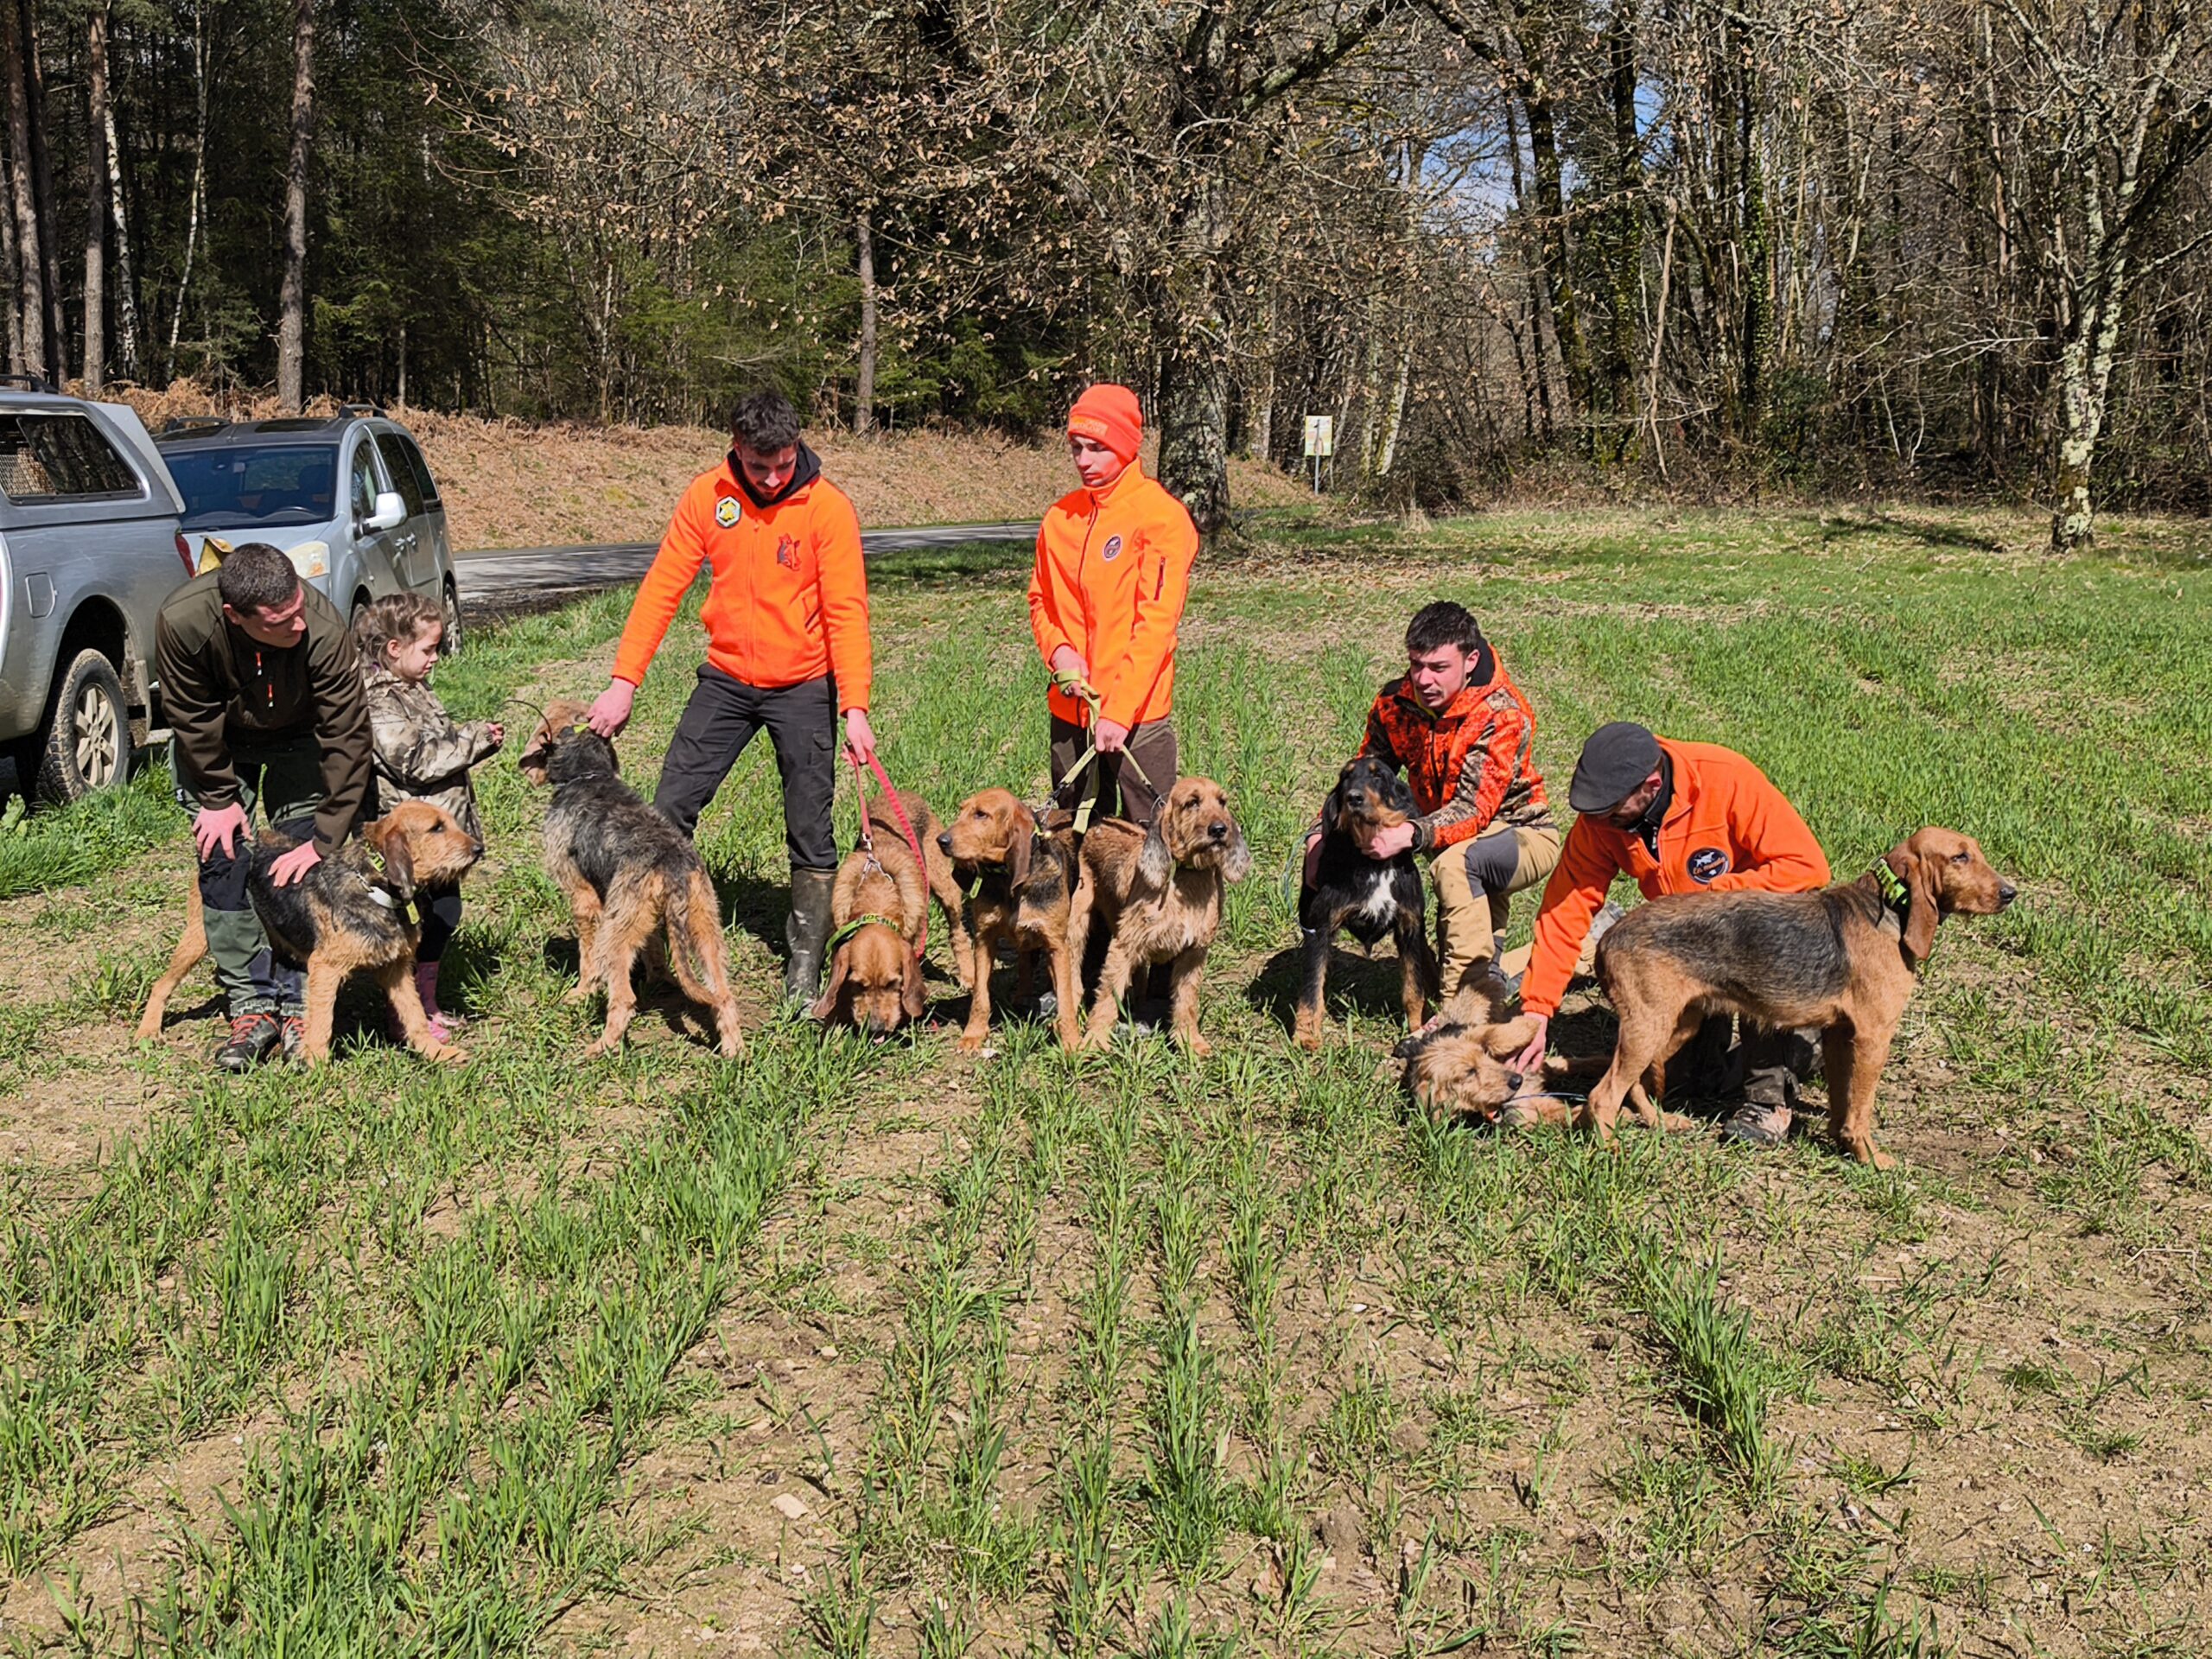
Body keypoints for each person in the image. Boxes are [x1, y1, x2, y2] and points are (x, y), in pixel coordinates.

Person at [587, 388, 874, 1001]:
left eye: (784, 463)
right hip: (726, 679)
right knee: (667, 809)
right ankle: (654, 947)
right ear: (736, 449)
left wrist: (855, 707)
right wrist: (623, 681)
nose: (772, 478)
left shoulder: (827, 508)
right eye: (759, 466)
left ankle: (805, 963)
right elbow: (662, 588)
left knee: (810, 824)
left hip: (803, 683)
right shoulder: (707, 497)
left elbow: (847, 612)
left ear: (797, 446)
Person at [1512, 721, 1832, 1146]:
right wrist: (1536, 1010)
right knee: (1679, 1082)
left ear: (1652, 785)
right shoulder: (1600, 822)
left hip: (1754, 934)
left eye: (1610, 811)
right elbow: (1564, 912)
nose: (1598, 822)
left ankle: (1771, 1093)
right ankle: (1729, 1058)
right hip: (1687, 951)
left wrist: (1711, 898)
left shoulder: (1725, 778)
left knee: (1762, 958)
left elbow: (1807, 866)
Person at [156, 542, 373, 1071]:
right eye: (281, 621)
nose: (298, 624)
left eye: (299, 608)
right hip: (220, 742)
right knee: (223, 859)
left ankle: (298, 1004)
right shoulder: (184, 621)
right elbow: (189, 714)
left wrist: (325, 836)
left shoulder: (321, 627)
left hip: (300, 737)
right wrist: (217, 796)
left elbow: (348, 735)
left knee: (300, 861)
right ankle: (251, 1004)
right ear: (236, 616)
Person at [1305, 601, 1561, 1015]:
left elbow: (1473, 810)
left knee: (1456, 866)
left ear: (1470, 659)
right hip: (1447, 835)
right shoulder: (1396, 703)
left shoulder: (1501, 714)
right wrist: (1319, 834)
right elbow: (1365, 777)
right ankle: (1580, 951)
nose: (1423, 679)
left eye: (1438, 668)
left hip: (1520, 832)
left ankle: (1456, 1020)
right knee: (1474, 958)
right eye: (1416, 665)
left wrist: (1409, 834)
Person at [1028, 384, 1198, 824]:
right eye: (1076, 447)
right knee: (1070, 836)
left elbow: (1156, 625)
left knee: (1151, 838)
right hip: (1071, 712)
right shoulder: (1059, 518)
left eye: (1098, 448)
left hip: (1139, 717)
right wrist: (1059, 652)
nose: (1084, 460)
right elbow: (1040, 600)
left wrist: (1119, 713)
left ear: (1125, 447)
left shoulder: (1161, 517)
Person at [356, 593, 502, 1042]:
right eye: (429, 648)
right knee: (419, 921)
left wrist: (473, 737)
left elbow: (435, 742)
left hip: (435, 839)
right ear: (394, 648)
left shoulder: (411, 687)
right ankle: (405, 1015)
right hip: (410, 843)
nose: (436, 657)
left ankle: (424, 1003)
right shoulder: (379, 702)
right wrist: (474, 740)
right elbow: (415, 761)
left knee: (443, 913)